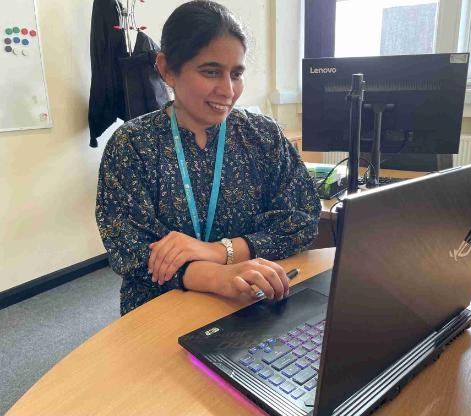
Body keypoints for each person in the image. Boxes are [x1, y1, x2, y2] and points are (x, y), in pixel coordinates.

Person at [96, 0, 321, 316]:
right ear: (166, 70)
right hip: (162, 306)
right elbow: (130, 250)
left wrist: (218, 252)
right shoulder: (132, 144)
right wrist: (218, 276)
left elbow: (301, 220)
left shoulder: (262, 135)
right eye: (211, 71)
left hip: (251, 296)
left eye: (237, 73)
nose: (228, 90)